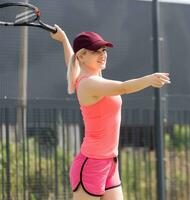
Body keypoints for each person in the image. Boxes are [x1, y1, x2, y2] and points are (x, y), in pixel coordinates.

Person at [50, 25, 171, 200]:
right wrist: (149, 79)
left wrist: (64, 39)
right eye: (96, 51)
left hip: (110, 163)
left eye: (104, 50)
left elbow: (72, 60)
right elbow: (123, 87)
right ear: (82, 56)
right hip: (91, 164)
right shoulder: (88, 84)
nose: (103, 54)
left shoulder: (85, 77)